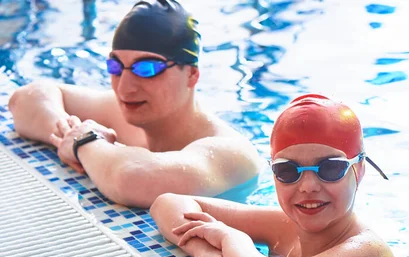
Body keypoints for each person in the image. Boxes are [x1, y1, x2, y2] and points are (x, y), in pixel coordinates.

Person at [150, 94, 396, 257]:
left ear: (359, 170)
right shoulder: (283, 227)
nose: (308, 186)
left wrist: (230, 238)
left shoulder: (369, 252)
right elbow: (167, 203)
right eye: (288, 170)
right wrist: (203, 249)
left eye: (330, 168)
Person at [7, 0, 262, 208]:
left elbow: (136, 181)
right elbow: (27, 98)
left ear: (192, 74)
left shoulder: (230, 152)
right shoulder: (126, 110)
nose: (125, 87)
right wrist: (69, 134)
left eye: (147, 68)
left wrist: (85, 142)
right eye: (115, 66)